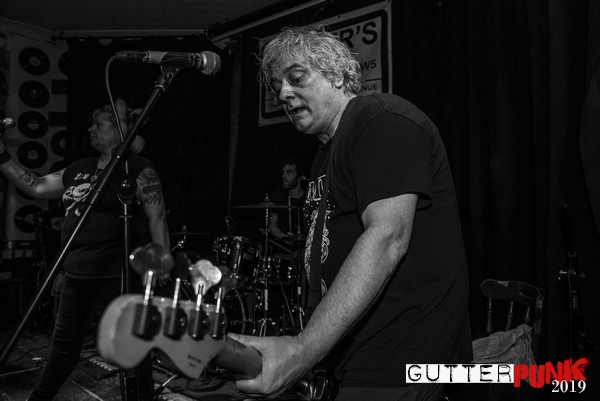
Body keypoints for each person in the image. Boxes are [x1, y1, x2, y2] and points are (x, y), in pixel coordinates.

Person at [229, 26, 472, 401]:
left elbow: (387, 237)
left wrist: (303, 348)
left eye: (297, 78)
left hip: (405, 362)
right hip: (363, 359)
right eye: (278, 88)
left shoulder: (380, 120)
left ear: (338, 75)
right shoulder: (326, 152)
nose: (284, 94)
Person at [0, 99, 170, 401]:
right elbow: (36, 186)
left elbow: (157, 218)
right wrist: (2, 156)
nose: (91, 129)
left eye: (99, 124)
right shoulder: (79, 169)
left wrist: (159, 264)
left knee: (132, 349)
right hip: (78, 271)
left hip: (119, 273)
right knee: (63, 346)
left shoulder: (138, 169)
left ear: (119, 131)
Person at [268, 158, 307, 241]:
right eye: (283, 173)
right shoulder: (277, 196)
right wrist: (284, 237)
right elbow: (272, 225)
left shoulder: (308, 197)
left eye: (289, 172)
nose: (284, 176)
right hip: (283, 246)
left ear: (299, 176)